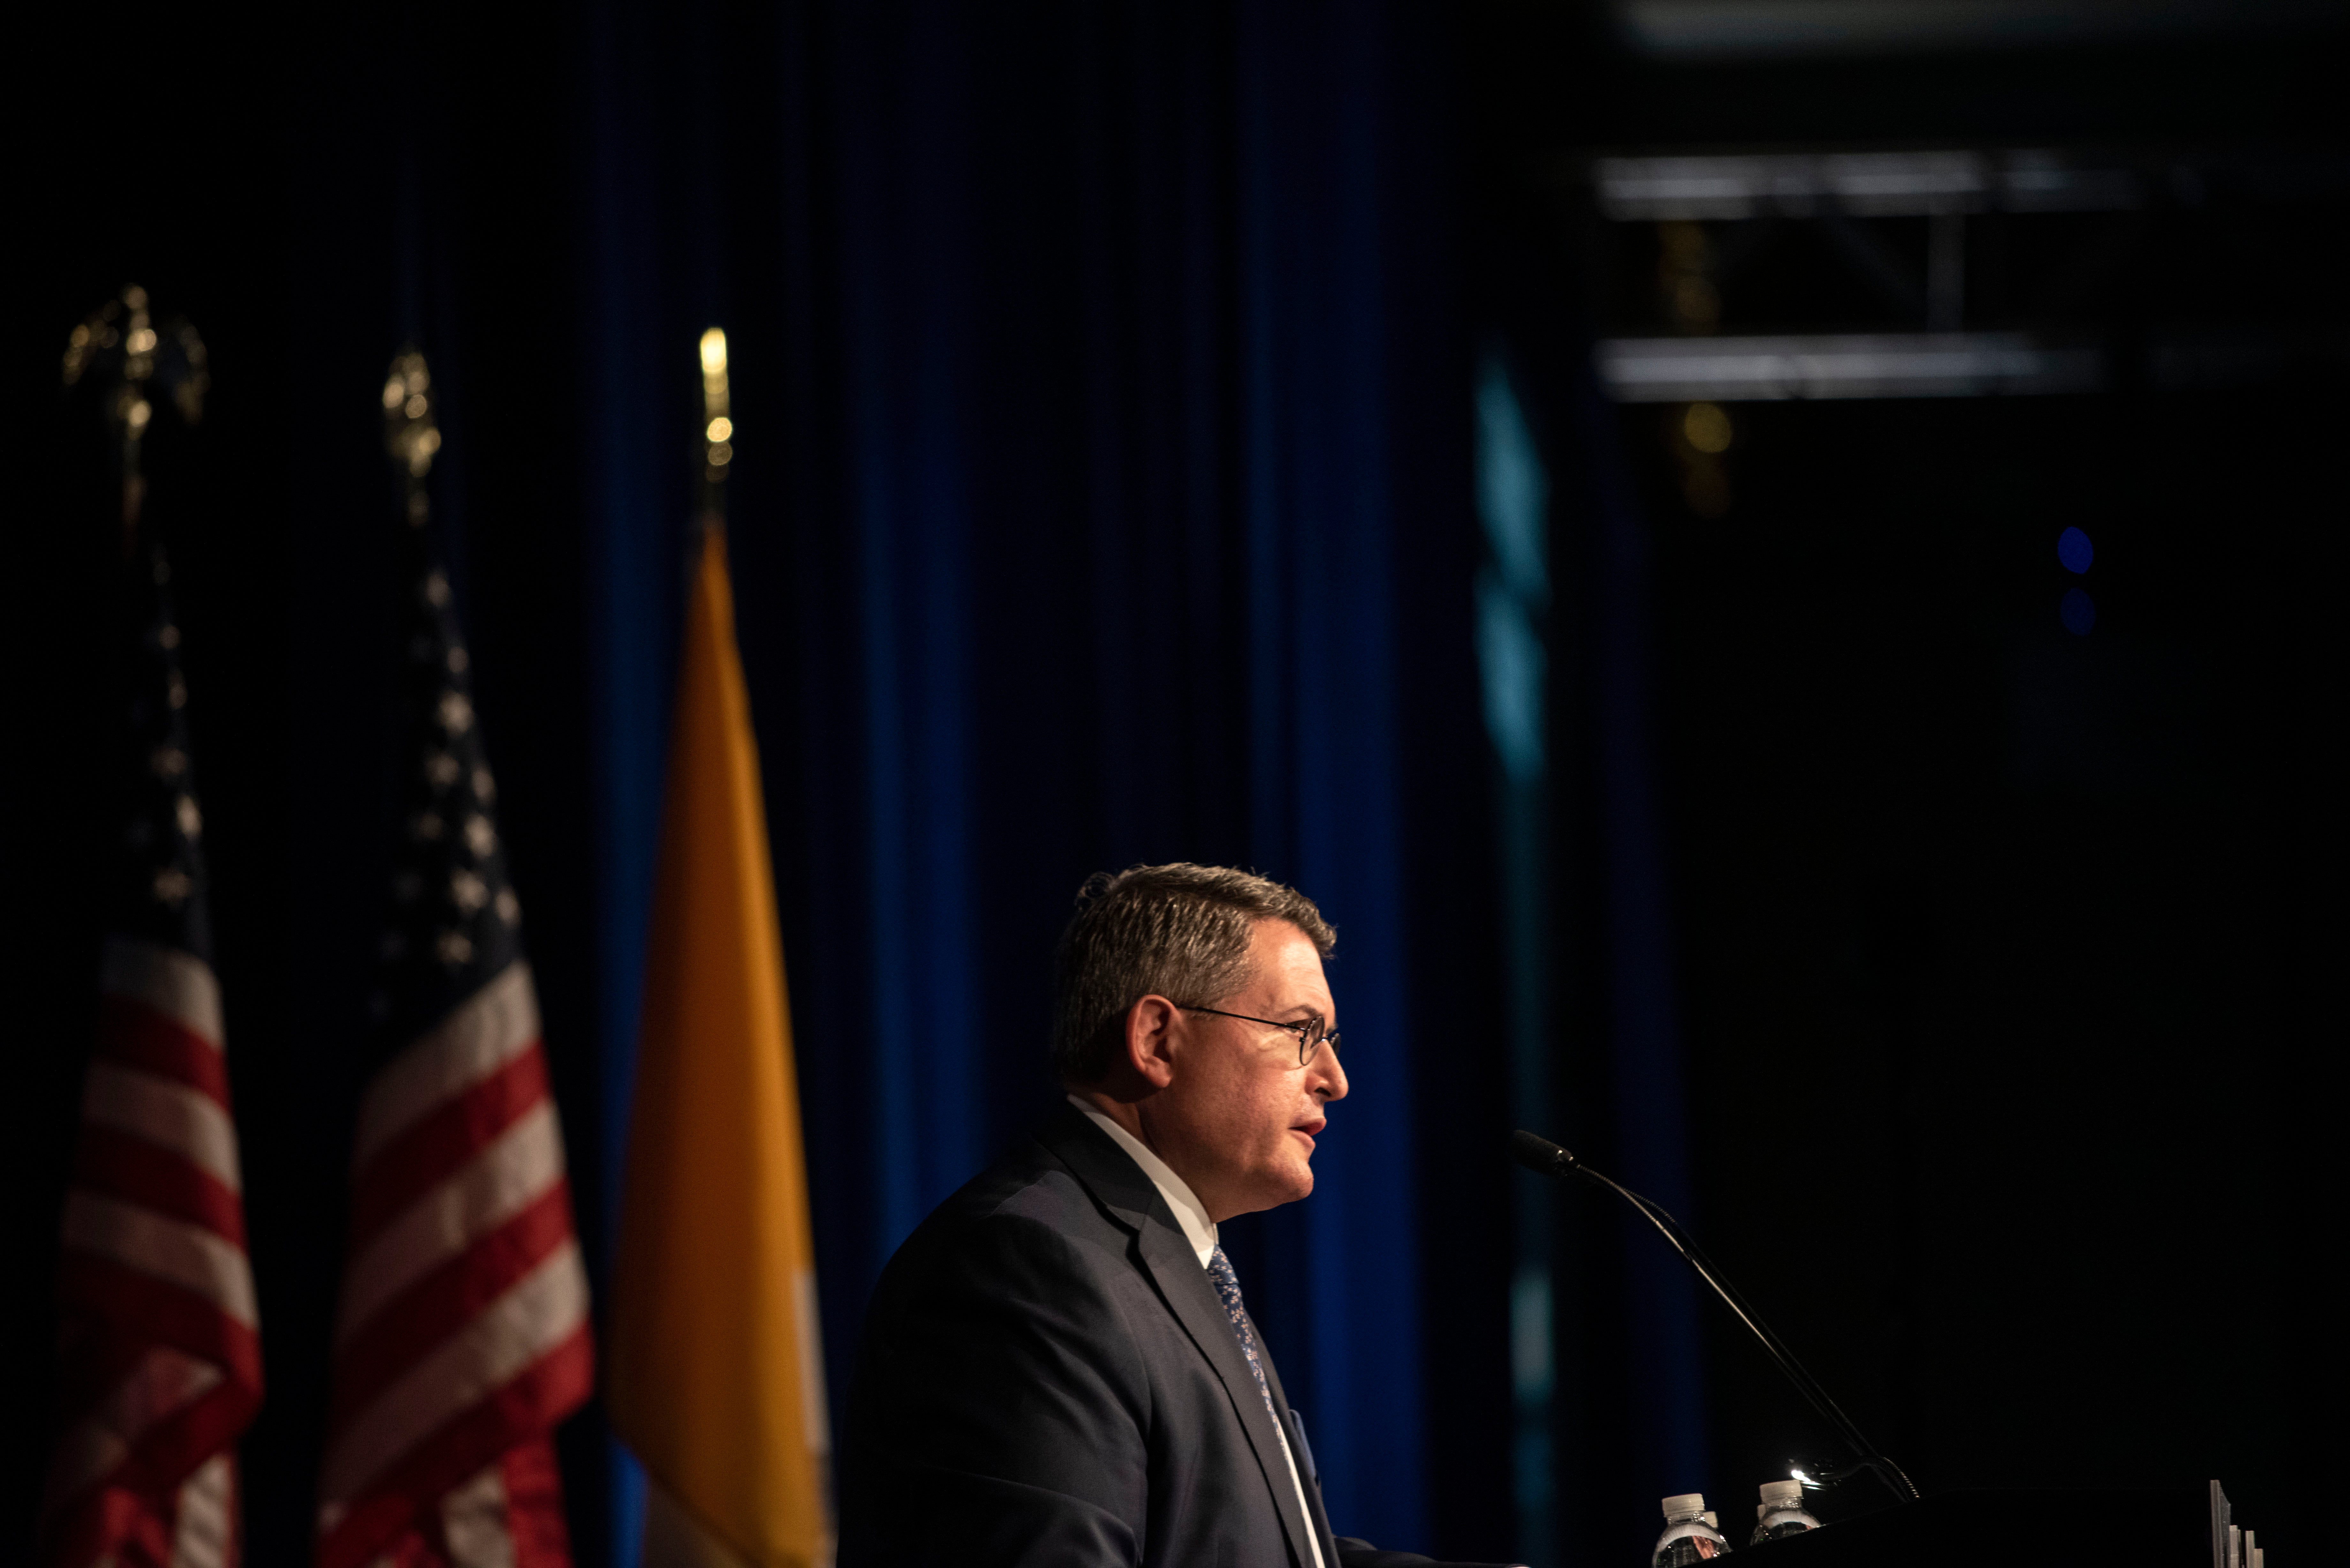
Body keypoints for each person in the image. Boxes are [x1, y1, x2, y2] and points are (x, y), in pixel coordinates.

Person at [838, 863, 1511, 1568]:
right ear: (1156, 1038)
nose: (1335, 1079)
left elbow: (1257, 1547)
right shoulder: (1026, 1268)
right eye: (1299, 1030)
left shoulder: (1167, 1260)